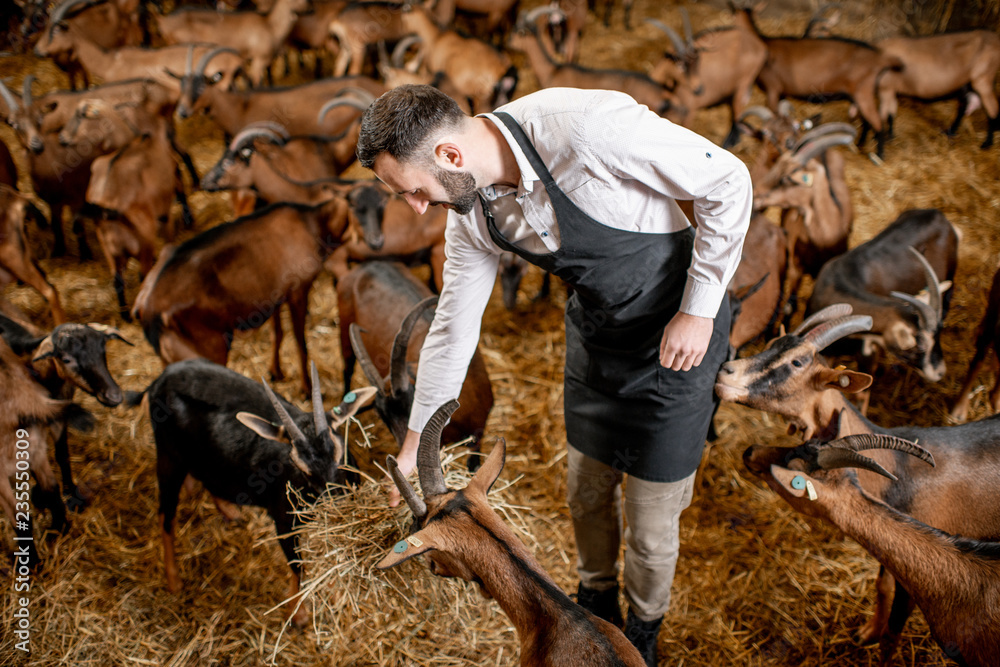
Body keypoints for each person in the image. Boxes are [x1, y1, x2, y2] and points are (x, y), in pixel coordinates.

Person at [355, 84, 752, 665]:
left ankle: (643, 627)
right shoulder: (472, 212)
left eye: (414, 191)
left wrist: (698, 308)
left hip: (676, 342)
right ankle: (596, 594)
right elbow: (453, 328)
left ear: (450, 156)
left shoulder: (587, 130)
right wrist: (416, 444)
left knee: (650, 518)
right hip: (597, 343)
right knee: (586, 493)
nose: (415, 207)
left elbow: (729, 180)